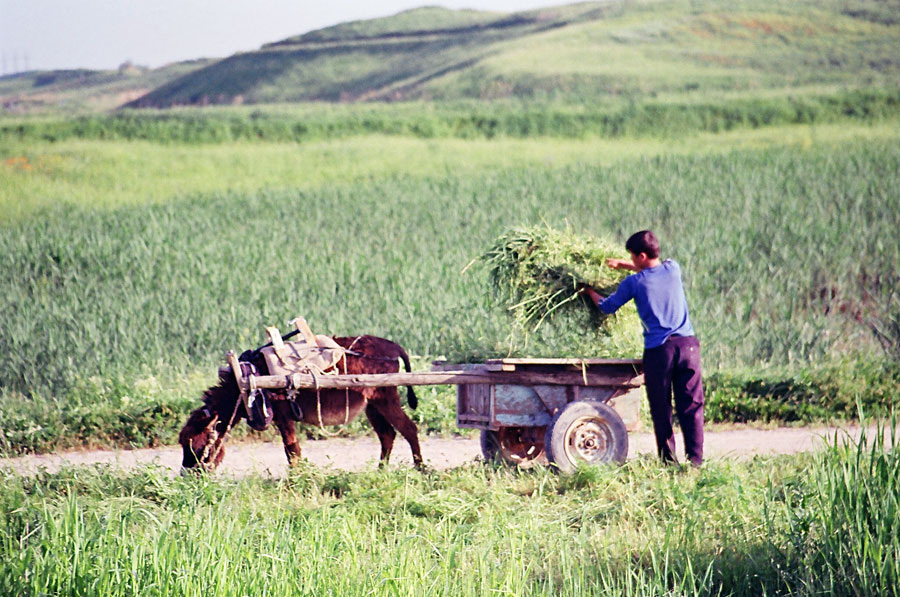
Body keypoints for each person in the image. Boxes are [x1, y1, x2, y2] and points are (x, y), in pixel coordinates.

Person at [580, 230, 704, 467]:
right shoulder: (673, 268)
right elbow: (650, 269)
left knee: (661, 408)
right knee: (692, 406)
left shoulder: (634, 283)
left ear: (642, 255)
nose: (632, 262)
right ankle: (696, 463)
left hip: (660, 351)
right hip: (689, 347)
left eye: (633, 257)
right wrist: (624, 264)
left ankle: (669, 463)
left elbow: (607, 307)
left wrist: (589, 292)